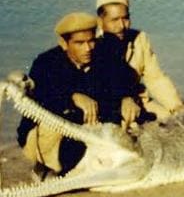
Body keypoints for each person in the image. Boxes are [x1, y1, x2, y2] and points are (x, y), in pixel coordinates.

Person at [16, 12, 149, 176]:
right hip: (58, 130)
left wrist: (127, 97)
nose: (88, 48)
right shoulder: (45, 63)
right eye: (79, 43)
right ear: (64, 44)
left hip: (90, 128)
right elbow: (41, 98)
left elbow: (126, 77)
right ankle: (46, 167)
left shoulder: (104, 54)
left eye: (91, 41)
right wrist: (71, 97)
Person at [95, 0, 183, 120]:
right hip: (105, 107)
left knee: (174, 121)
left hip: (139, 101)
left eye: (125, 18)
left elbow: (155, 78)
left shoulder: (139, 38)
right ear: (100, 21)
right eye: (114, 20)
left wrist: (176, 106)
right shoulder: (91, 44)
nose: (121, 26)